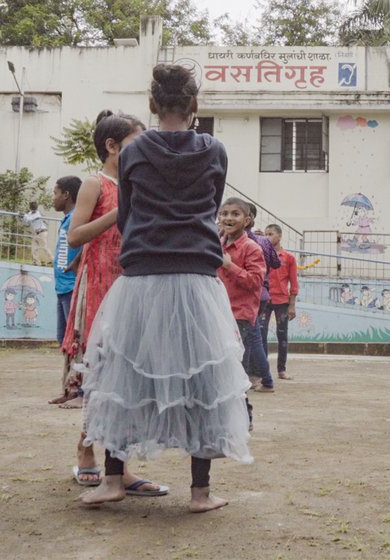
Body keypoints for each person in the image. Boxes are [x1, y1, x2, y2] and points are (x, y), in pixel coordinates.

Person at [80, 64, 252, 512]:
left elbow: (128, 213)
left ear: (152, 106)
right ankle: (200, 493)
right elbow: (211, 207)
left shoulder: (134, 152)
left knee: (125, 372)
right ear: (194, 106)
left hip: (142, 275)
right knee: (203, 376)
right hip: (197, 276)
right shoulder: (214, 150)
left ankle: (113, 479)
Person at [62, 110, 165, 499]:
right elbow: (75, 237)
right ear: (111, 146)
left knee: (127, 378)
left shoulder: (142, 183)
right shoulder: (95, 184)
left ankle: (119, 468)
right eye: (137, 143)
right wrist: (118, 212)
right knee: (98, 376)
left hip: (134, 288)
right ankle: (86, 449)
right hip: (100, 286)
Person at [217, 198, 267, 429]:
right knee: (218, 365)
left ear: (247, 221)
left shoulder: (251, 248)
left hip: (240, 316)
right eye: (224, 213)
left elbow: (256, 282)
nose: (228, 218)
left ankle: (245, 414)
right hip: (216, 312)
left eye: (235, 214)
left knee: (234, 365)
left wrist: (230, 266)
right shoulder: (217, 243)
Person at [49, 176, 83, 405]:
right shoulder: (66, 220)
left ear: (67, 195)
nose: (53, 198)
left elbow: (90, 240)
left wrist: (76, 263)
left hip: (72, 287)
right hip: (62, 288)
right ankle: (67, 388)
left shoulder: (77, 219)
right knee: (63, 339)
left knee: (74, 340)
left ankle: (77, 391)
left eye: (55, 193)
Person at [243, 204, 279, 392]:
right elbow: (276, 262)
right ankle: (257, 377)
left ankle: (262, 378)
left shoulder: (245, 241)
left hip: (249, 293)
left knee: (252, 337)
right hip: (262, 292)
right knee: (254, 336)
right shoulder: (263, 241)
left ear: (247, 218)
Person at [265, 223, 299, 380]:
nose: (267, 237)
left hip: (281, 300)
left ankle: (281, 370)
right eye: (265, 234)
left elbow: (294, 282)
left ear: (279, 236)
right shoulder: (261, 255)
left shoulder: (289, 258)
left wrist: (292, 305)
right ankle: (262, 370)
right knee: (260, 333)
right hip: (264, 299)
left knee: (282, 335)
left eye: (271, 234)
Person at [22, 201, 54, 266]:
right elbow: (27, 222)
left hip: (42, 232)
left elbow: (29, 219)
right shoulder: (30, 213)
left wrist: (24, 215)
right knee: (34, 248)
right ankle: (37, 262)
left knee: (44, 248)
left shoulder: (37, 214)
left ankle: (53, 260)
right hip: (35, 233)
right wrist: (22, 217)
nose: (33, 209)